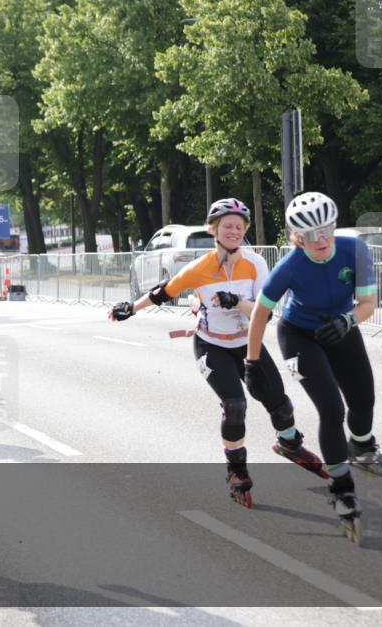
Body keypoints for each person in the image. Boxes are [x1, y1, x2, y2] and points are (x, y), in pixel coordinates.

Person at [109, 198, 326, 508]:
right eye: (227, 226)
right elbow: (163, 292)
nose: (234, 231)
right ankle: (237, 472)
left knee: (278, 402)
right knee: (235, 405)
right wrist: (131, 308)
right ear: (214, 230)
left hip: (246, 344)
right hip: (211, 346)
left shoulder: (256, 264)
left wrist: (236, 301)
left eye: (239, 227)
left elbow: (264, 314)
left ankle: (289, 444)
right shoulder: (199, 268)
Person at [246, 192, 382, 542]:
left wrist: (348, 321)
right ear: (296, 238)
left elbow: (367, 304)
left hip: (341, 325)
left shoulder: (355, 250)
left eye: (326, 230)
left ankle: (362, 447)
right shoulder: (290, 266)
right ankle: (341, 486)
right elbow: (260, 312)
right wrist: (252, 361)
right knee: (331, 409)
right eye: (310, 235)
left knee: (364, 398)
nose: (321, 240)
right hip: (298, 334)